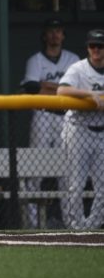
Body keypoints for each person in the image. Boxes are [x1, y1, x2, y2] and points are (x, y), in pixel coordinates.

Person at [20, 18, 79, 228]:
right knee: (35, 170)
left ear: (63, 35)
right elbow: (32, 88)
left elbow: (77, 89)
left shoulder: (73, 59)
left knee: (68, 173)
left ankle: (70, 223)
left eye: (59, 31)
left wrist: (48, 86)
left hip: (67, 117)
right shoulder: (35, 60)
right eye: (51, 31)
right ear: (45, 35)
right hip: (43, 115)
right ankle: (32, 225)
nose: (55, 35)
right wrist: (61, 88)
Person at [56, 29, 104, 230]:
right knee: (76, 184)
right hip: (78, 128)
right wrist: (87, 94)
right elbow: (62, 90)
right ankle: (75, 228)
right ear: (87, 48)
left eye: (100, 46)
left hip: (101, 130)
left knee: (103, 188)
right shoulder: (78, 68)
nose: (96, 50)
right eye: (92, 46)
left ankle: (91, 227)